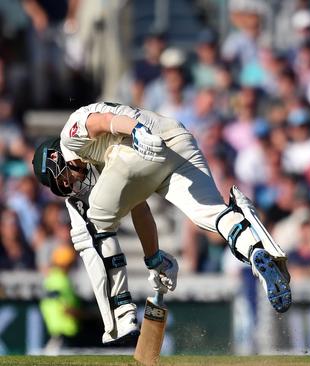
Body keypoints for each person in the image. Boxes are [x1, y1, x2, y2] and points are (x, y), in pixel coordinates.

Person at [31, 101, 292, 345]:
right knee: (212, 214)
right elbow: (140, 208)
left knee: (94, 221)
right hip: (179, 139)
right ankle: (257, 249)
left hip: (137, 144)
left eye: (65, 179)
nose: (73, 184)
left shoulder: (69, 138)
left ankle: (121, 313)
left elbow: (102, 120)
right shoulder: (97, 160)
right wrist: (153, 258)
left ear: (55, 159)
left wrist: (136, 131)